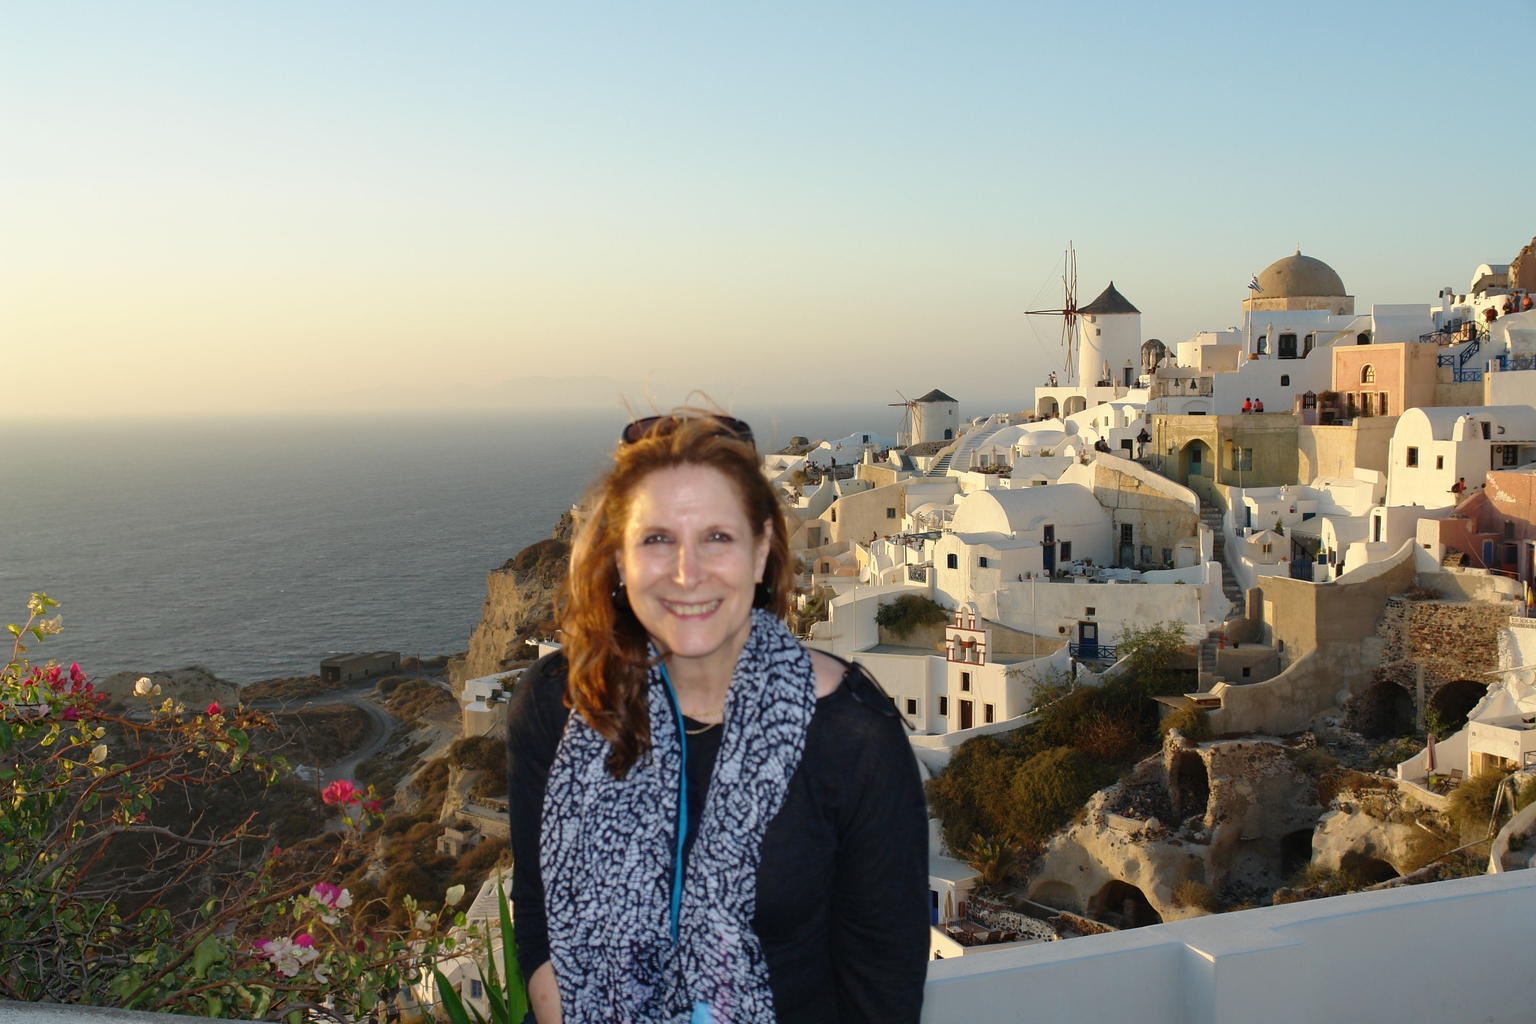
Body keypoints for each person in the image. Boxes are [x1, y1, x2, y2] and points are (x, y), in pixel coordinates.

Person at [507, 412, 928, 1024]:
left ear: (762, 552)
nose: (687, 572)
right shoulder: (560, 704)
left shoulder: (850, 731)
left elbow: (882, 983)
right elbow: (541, 918)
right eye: (656, 539)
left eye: (717, 537)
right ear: (619, 560)